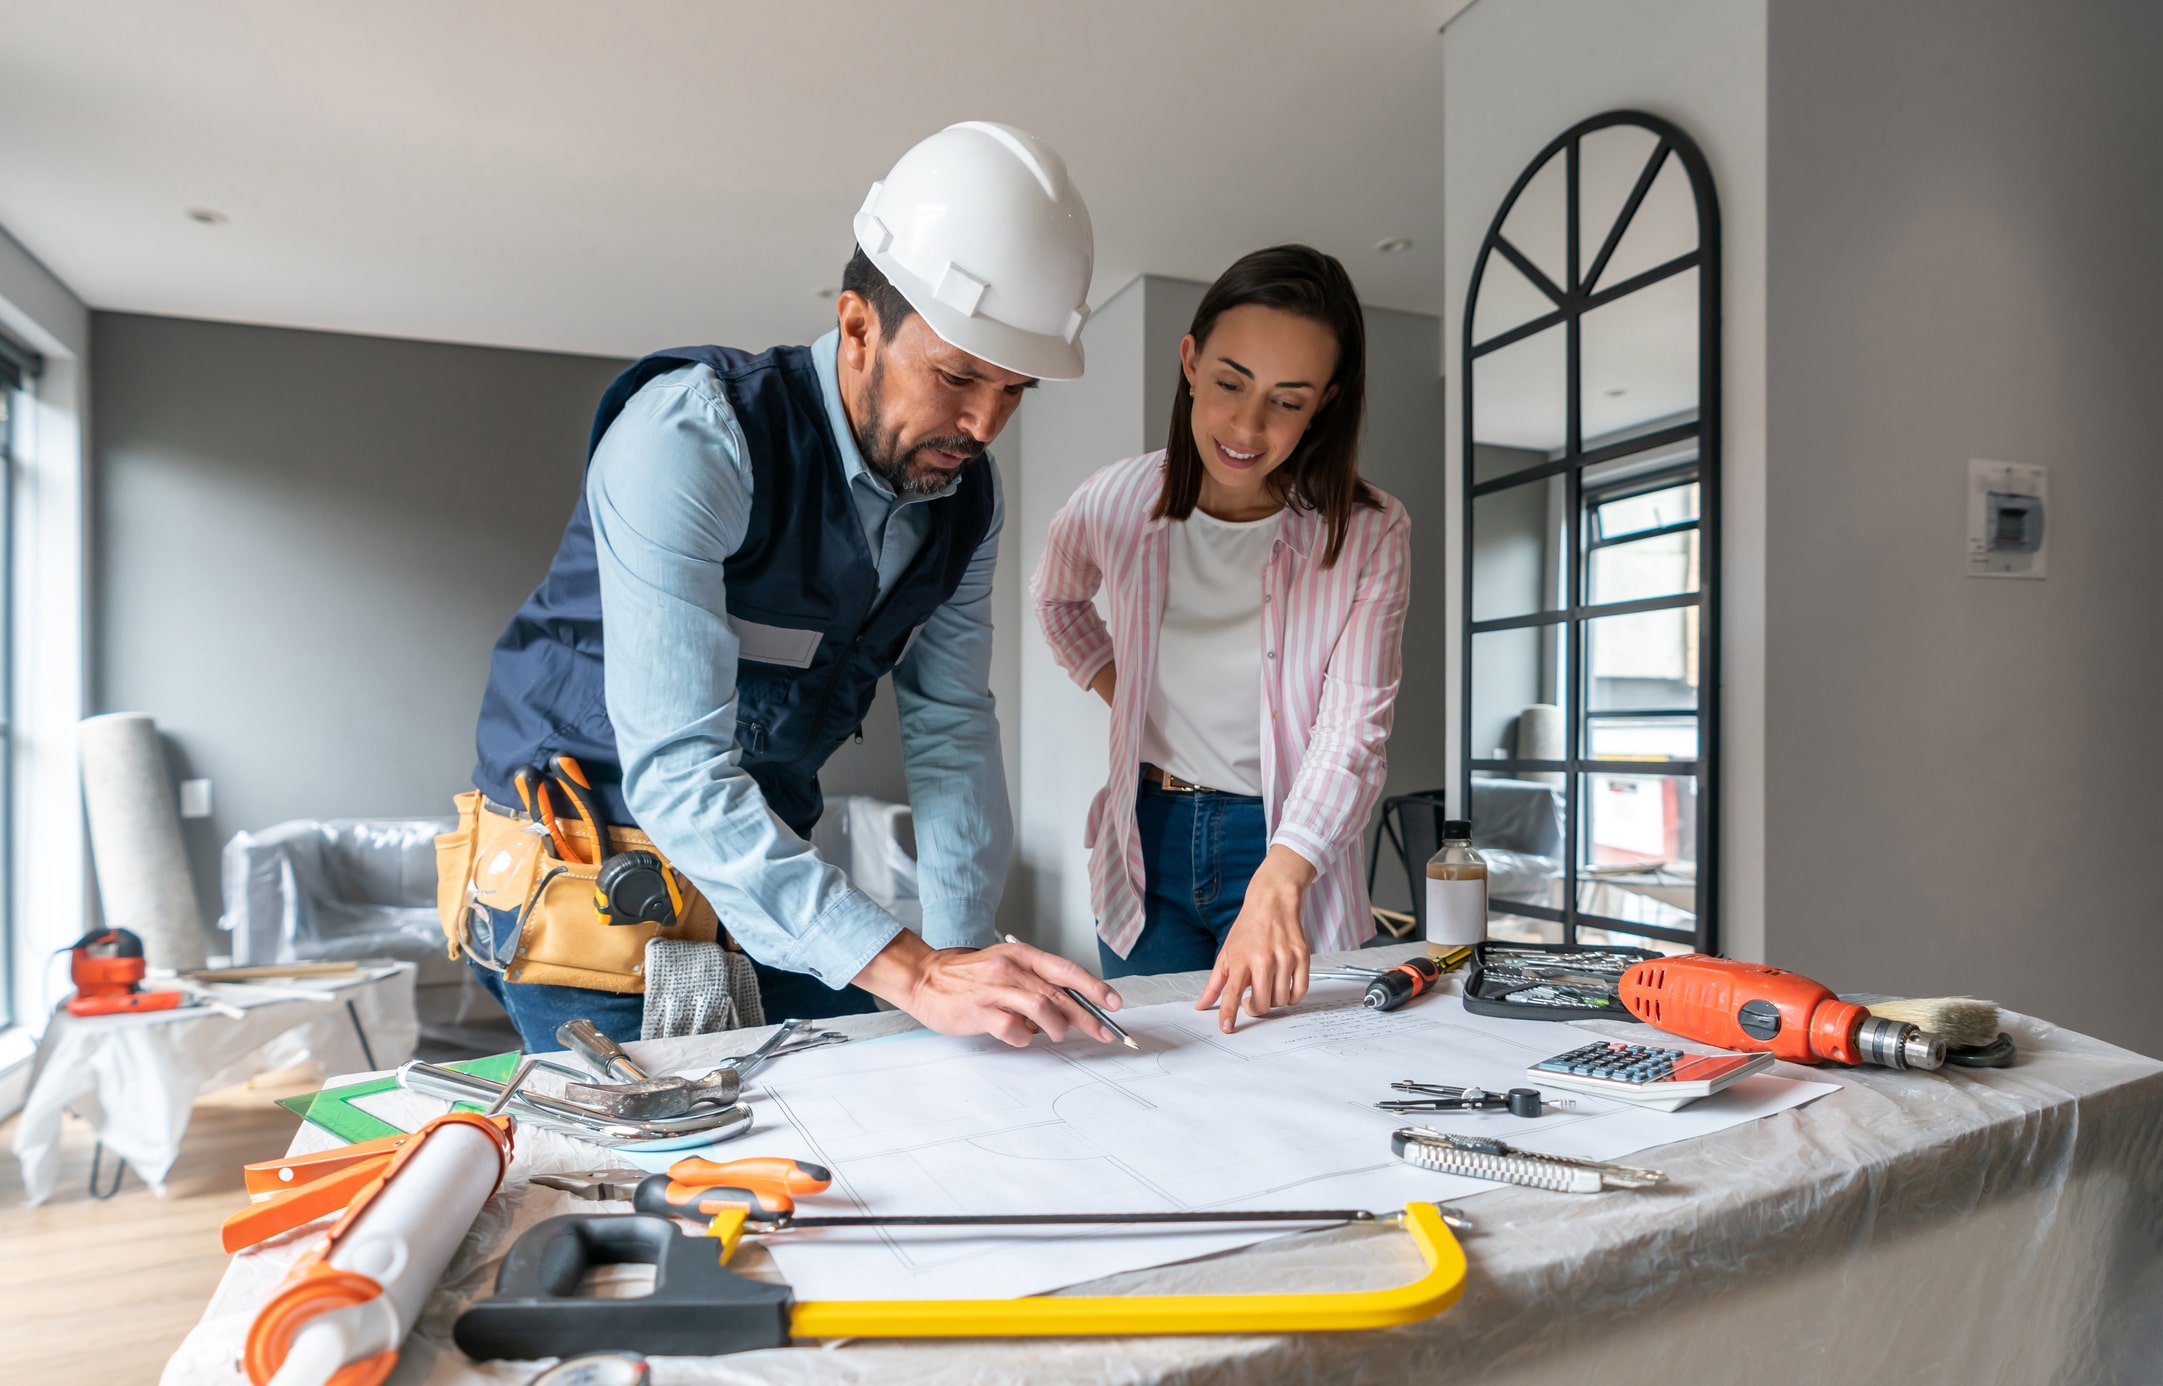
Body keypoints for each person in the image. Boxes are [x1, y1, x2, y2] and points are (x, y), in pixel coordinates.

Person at [438, 121, 1122, 1051]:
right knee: (678, 1158)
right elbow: (678, 774)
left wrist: (965, 963)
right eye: (959, 377)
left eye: (1015, 391)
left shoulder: (965, 498)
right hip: (587, 876)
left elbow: (951, 723)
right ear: (855, 328)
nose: (984, 422)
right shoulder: (690, 437)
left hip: (761, 863)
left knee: (891, 1090)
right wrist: (912, 971)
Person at [1031, 245, 1411, 1033]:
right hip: (1147, 837)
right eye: (1230, 383)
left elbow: (1353, 730)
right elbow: (1057, 601)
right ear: (1190, 363)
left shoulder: (1371, 532)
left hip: (1284, 844)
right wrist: (1124, 692)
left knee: (1290, 1084)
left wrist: (1280, 879)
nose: (1246, 426)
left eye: (1287, 400)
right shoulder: (1113, 502)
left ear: (1324, 403)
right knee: (1154, 1076)